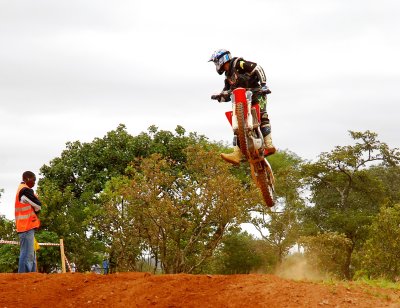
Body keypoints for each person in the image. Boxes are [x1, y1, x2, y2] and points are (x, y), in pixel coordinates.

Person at [209, 49, 276, 165]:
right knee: (236, 125)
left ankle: (269, 144)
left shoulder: (239, 63)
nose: (216, 65)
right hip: (242, 101)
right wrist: (220, 97)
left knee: (263, 114)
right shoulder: (228, 77)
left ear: (221, 60)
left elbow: (257, 68)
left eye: (216, 62)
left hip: (257, 93)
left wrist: (264, 85)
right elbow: (227, 93)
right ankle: (237, 153)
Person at [15, 171, 42, 273]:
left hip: (27, 227)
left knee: (30, 255)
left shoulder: (23, 190)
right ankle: (24, 279)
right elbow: (38, 206)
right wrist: (36, 200)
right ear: (27, 179)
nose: (34, 183)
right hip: (25, 227)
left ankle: (30, 278)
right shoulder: (25, 190)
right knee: (27, 255)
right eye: (33, 180)